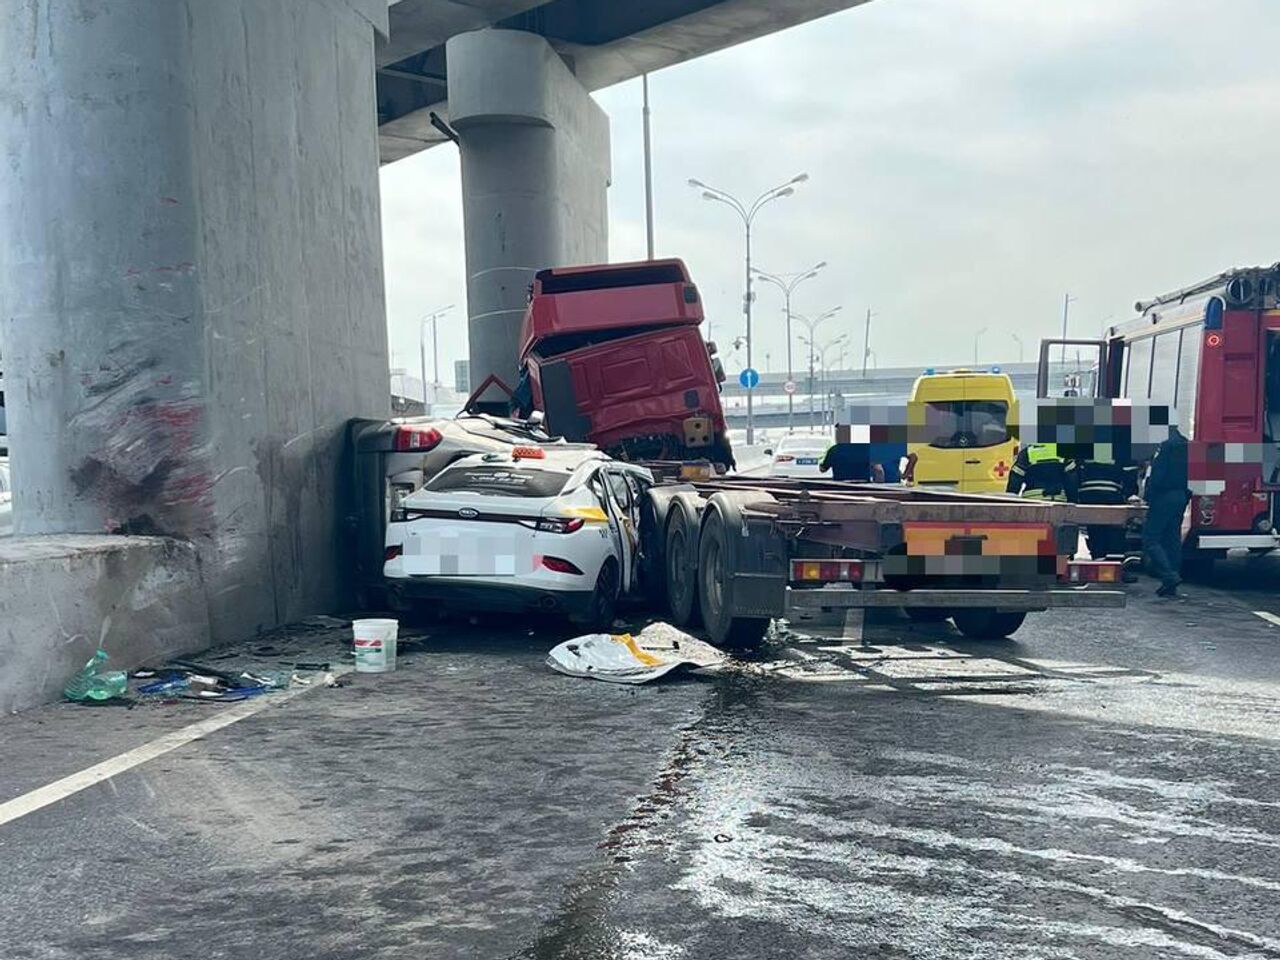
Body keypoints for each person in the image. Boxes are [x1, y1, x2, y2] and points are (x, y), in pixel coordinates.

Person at [1142, 425, 1190, 597]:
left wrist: (1147, 498)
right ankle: (1172, 581)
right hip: (1181, 496)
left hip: (1164, 496)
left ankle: (1169, 576)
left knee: (1150, 538)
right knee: (1172, 539)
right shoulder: (1186, 445)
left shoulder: (1165, 445)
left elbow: (1158, 476)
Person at [1066, 448, 1140, 559]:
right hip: (1112, 494)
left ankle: (1098, 557)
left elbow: (1072, 472)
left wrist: (1075, 497)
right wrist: (1129, 494)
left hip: (1088, 494)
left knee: (1095, 530)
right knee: (1114, 531)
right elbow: (1130, 473)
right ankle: (1114, 563)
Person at [820, 425, 884, 482]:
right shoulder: (867, 449)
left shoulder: (834, 450)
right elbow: (879, 471)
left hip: (840, 488)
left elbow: (823, 469)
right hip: (863, 489)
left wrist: (821, 461)